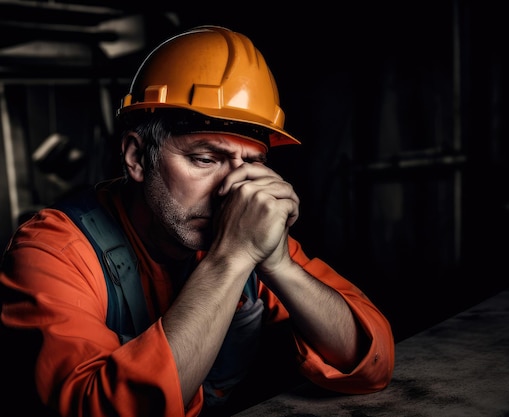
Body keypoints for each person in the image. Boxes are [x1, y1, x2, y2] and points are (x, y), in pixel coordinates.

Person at [0, 25, 395, 417]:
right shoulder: (53, 251)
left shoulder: (249, 233)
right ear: (137, 157)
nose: (234, 189)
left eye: (253, 165)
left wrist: (279, 266)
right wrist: (229, 260)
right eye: (205, 159)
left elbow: (369, 361)